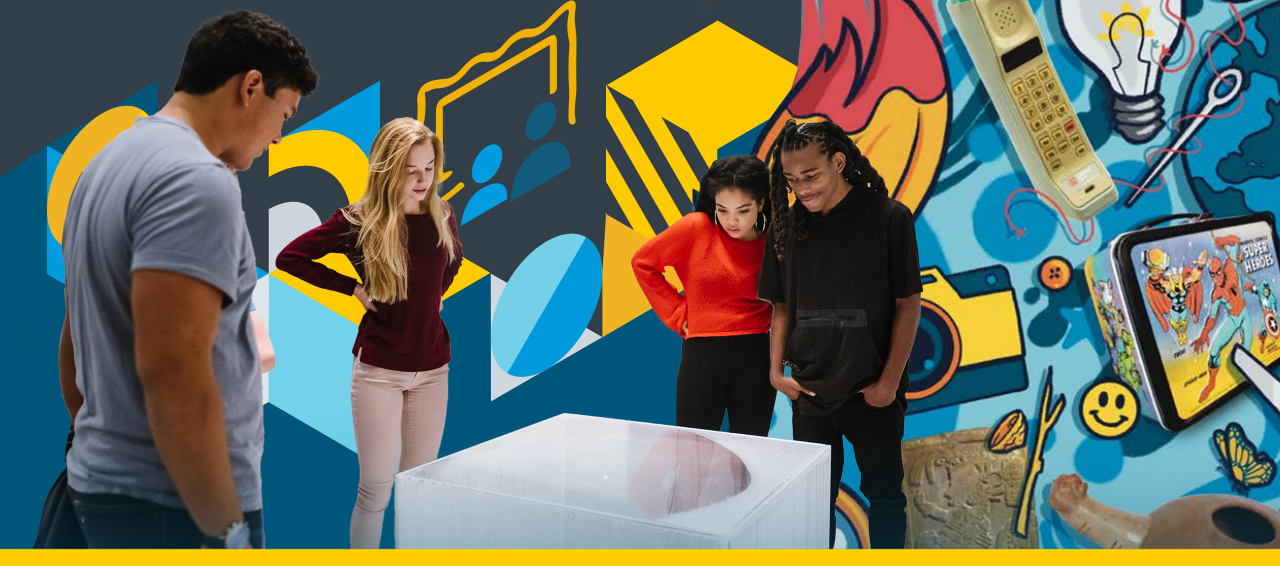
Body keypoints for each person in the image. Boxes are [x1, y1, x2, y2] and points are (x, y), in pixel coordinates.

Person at [59, 10, 318, 549]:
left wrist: (106, 446)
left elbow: (75, 344)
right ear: (251, 88)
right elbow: (173, 373)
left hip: (111, 491)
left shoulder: (106, 164)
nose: (277, 138)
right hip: (174, 508)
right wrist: (225, 532)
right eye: (285, 116)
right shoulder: (198, 181)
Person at [275, 118, 462, 548]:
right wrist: (353, 288)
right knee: (375, 491)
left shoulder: (443, 213)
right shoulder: (359, 221)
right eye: (410, 170)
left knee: (421, 491)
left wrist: (428, 298)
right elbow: (291, 257)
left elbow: (452, 262)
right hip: (379, 370)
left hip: (434, 369)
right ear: (387, 169)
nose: (422, 180)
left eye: (429, 168)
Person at [757, 120, 921, 549]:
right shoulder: (786, 228)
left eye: (810, 176)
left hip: (870, 393)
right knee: (813, 503)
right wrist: (776, 374)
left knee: (885, 498)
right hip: (809, 395)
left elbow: (909, 304)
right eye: (792, 181)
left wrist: (887, 385)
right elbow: (781, 308)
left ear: (839, 161)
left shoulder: (889, 218)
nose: (802, 189)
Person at [631, 155, 775, 435]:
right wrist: (677, 312)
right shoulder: (696, 227)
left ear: (760, 203)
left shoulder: (774, 240)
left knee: (752, 459)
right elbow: (643, 263)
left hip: (757, 355)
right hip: (703, 357)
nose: (731, 221)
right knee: (691, 458)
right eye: (723, 210)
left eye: (743, 211)